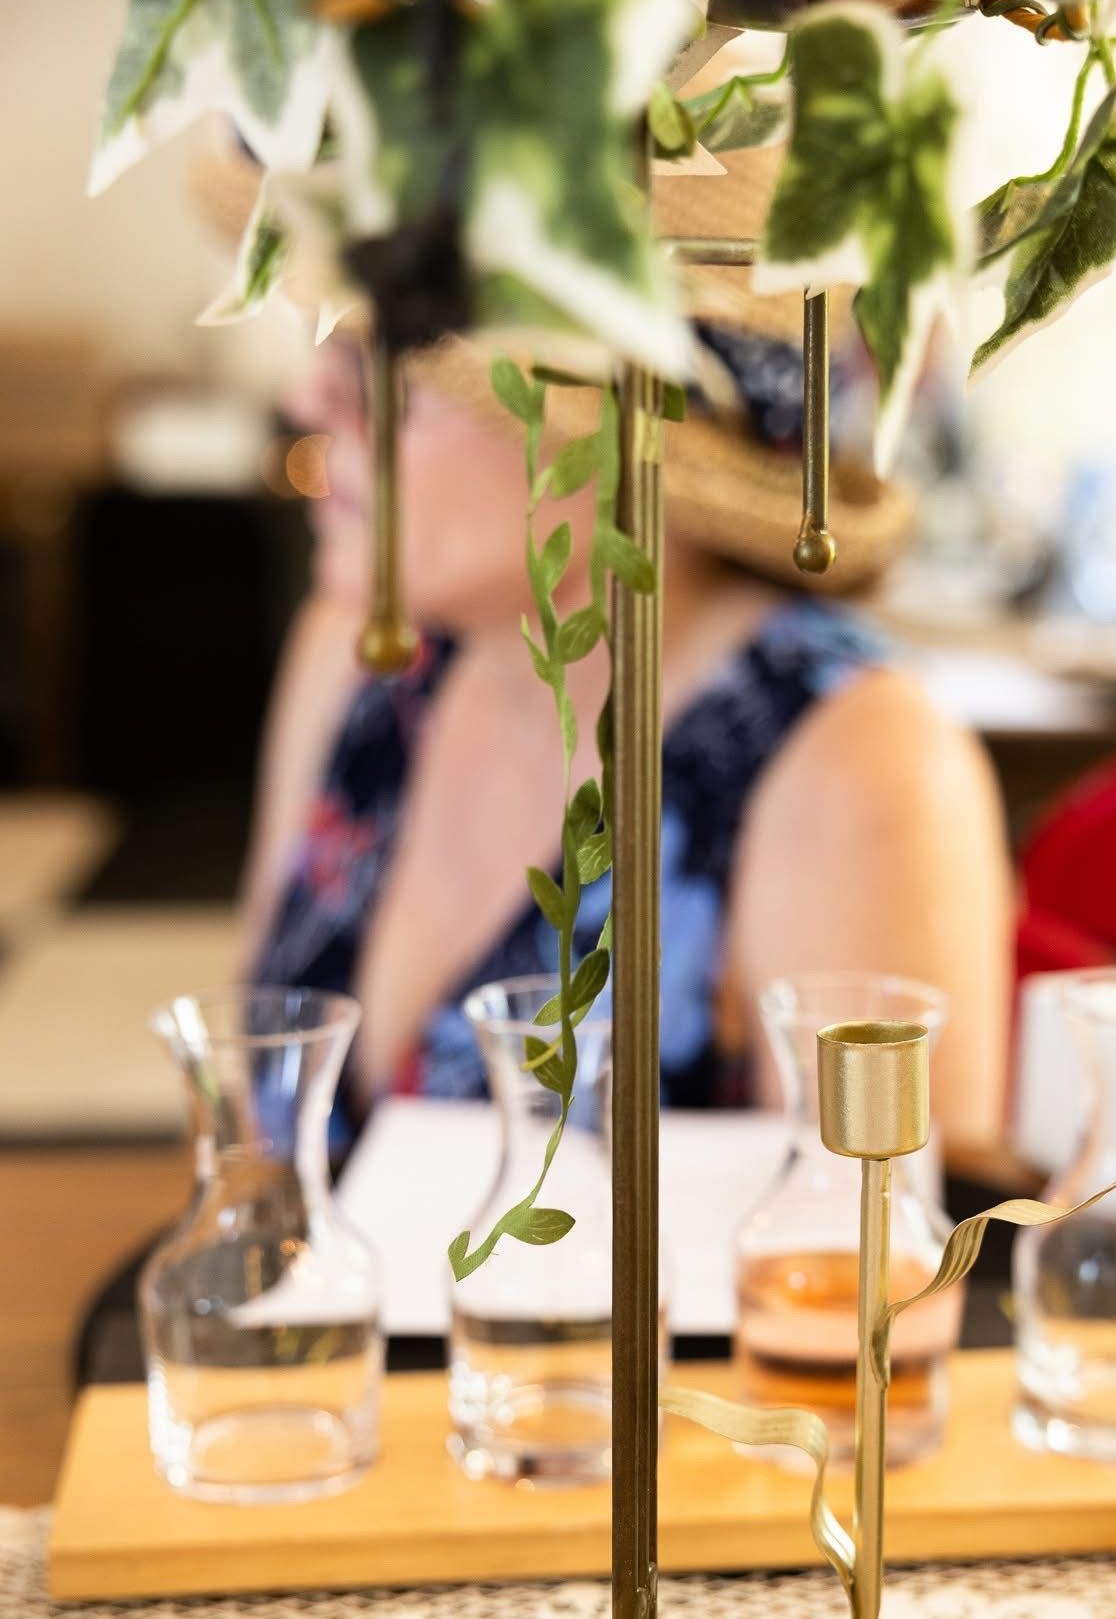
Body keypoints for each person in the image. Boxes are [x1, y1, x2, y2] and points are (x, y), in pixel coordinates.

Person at [231, 144, 1013, 1156]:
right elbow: (242, 1146)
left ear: (615, 444)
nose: (312, 401)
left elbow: (878, 1283)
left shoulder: (853, 762)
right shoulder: (355, 659)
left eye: (394, 376)